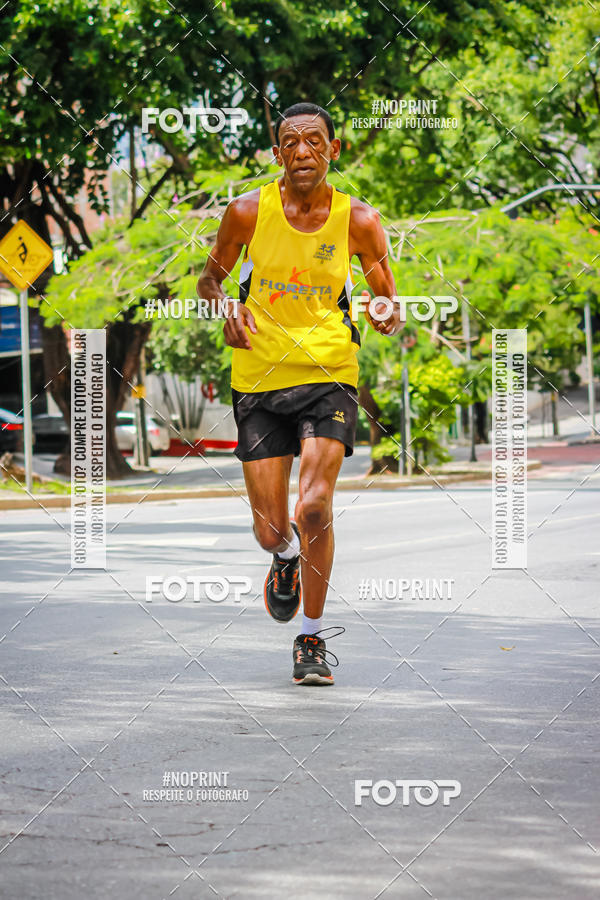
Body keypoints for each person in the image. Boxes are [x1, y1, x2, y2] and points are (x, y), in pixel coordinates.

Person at [197, 101, 401, 685]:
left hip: (329, 371)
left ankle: (311, 637)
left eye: (315, 140)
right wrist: (224, 305)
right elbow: (208, 277)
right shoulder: (245, 212)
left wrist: (386, 311)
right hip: (258, 376)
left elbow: (385, 291)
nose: (303, 151)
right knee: (270, 529)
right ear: (278, 152)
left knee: (314, 506)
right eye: (291, 142)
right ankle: (284, 561)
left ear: (333, 150)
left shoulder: (359, 219)